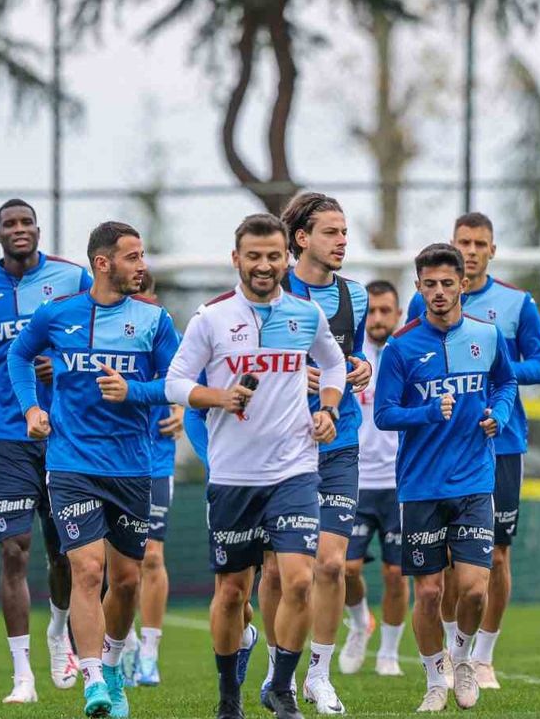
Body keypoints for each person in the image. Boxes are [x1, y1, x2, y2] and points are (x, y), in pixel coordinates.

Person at [166, 212, 346, 719]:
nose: (264, 265)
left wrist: (329, 409)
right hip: (233, 477)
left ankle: (281, 687)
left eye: (273, 256)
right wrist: (218, 397)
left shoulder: (306, 314)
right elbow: (175, 382)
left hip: (294, 471)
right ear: (236, 259)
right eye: (254, 256)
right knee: (231, 593)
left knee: (300, 580)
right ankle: (229, 698)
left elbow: (333, 364)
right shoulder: (211, 317)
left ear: (287, 258)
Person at [8, 221, 179, 718]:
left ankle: (113, 663)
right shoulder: (57, 314)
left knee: (125, 581)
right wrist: (31, 408)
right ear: (103, 264)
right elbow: (19, 356)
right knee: (87, 570)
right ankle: (93, 680)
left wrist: (135, 392)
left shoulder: (155, 321)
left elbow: (176, 382)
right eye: (132, 257)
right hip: (71, 463)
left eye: (142, 255)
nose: (142, 265)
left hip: (132, 466)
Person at [407, 213, 540, 688]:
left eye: (479, 243)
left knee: (498, 556)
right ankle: (454, 649)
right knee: (447, 560)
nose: (471, 250)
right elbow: (410, 366)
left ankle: (483, 656)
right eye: (464, 242)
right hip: (441, 449)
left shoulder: (516, 303)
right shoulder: (424, 299)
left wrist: (492, 369)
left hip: (500, 443)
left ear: (493, 250)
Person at [374, 243, 517, 713]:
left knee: (474, 588)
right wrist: (428, 412)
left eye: (447, 283)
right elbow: (384, 414)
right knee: (430, 591)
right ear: (418, 287)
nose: (438, 292)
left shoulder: (487, 335)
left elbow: (506, 382)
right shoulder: (400, 346)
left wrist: (499, 413)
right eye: (430, 284)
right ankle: (435, 679)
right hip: (421, 485)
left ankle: (462, 658)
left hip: (475, 479)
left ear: (463, 285)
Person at [0, 199, 90, 701]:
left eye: (26, 222)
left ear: (38, 229)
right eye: (9, 224)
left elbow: (93, 337)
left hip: (62, 434)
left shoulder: (72, 278)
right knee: (13, 550)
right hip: (6, 437)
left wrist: (64, 363)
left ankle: (59, 632)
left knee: (64, 554)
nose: (19, 229)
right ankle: (22, 676)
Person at [255, 192, 370, 715]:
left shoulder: (355, 295)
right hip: (281, 445)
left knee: (331, 564)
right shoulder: (272, 293)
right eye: (331, 231)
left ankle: (319, 675)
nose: (342, 240)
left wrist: (361, 366)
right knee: (277, 573)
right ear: (301, 238)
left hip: (339, 441)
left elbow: (352, 353)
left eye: (344, 232)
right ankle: (277, 670)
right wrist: (290, 371)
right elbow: (246, 358)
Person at [338, 280, 409, 678]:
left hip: (401, 482)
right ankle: (360, 621)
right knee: (346, 568)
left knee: (396, 573)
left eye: (386, 311)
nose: (378, 318)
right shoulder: (350, 356)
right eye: (373, 311)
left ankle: (389, 652)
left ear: (398, 314)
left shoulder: (408, 354)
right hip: (357, 480)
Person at [124, 271, 186, 687]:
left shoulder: (168, 335)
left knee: (151, 556)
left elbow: (190, 382)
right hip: (110, 458)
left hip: (156, 459)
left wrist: (181, 409)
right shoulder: (103, 333)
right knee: (117, 561)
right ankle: (123, 642)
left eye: (145, 296)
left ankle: (148, 652)